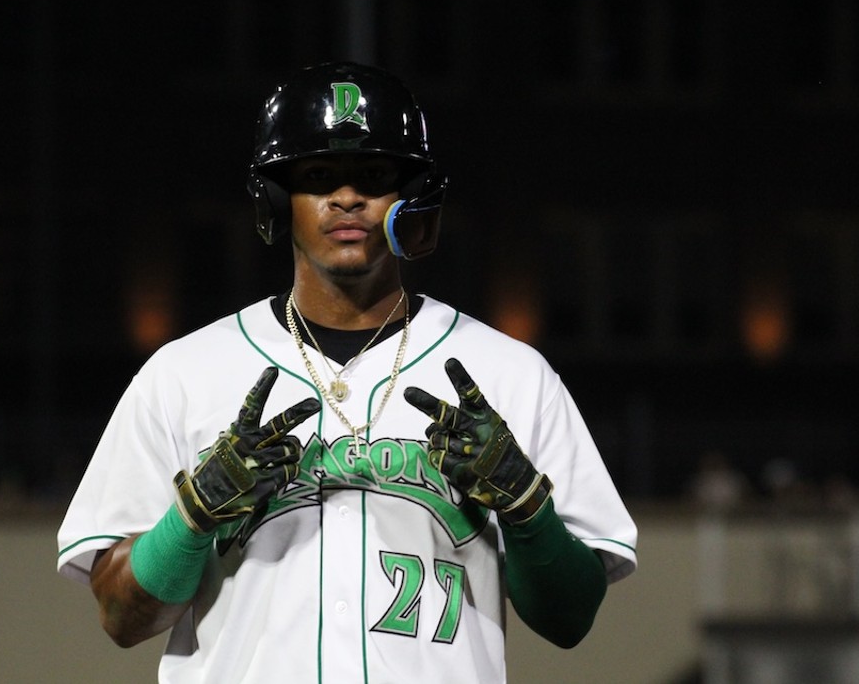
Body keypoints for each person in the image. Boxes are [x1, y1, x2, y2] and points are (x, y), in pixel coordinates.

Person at [56, 62, 637, 683]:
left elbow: (570, 619)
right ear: (279, 198)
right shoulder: (184, 374)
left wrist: (526, 508)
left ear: (411, 195)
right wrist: (193, 514)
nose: (346, 197)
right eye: (317, 176)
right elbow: (120, 617)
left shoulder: (511, 374)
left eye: (374, 175)